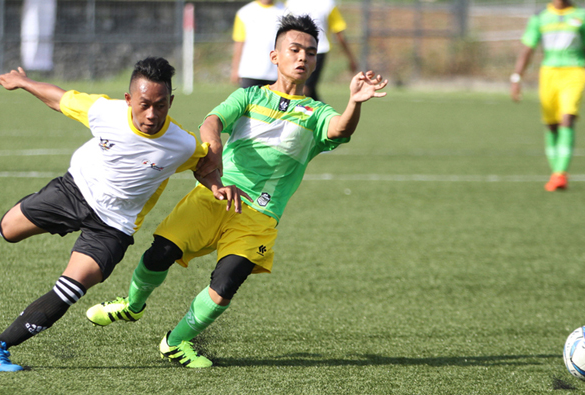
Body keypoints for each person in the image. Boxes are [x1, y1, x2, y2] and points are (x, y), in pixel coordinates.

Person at [85, 14, 388, 368]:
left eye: (310, 51)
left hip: (259, 217)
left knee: (225, 284)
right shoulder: (249, 96)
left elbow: (338, 130)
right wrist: (213, 151)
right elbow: (211, 121)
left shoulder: (316, 114)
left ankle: (176, 341)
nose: (303, 57)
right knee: (160, 253)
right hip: (214, 196)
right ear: (275, 57)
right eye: (294, 49)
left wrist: (355, 102)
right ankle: (132, 306)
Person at [0, 57, 247, 372]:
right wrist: (23, 82)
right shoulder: (105, 111)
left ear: (170, 102)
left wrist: (217, 185)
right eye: (144, 104)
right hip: (73, 191)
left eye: (161, 106)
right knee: (7, 229)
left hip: (113, 226)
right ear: (129, 99)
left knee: (71, 288)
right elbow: (59, 98)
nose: (152, 114)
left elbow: (204, 167)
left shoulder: (182, 144)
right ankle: (41, 216)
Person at [511, 0, 585, 192]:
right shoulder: (540, 16)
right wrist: (516, 78)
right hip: (549, 73)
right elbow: (528, 48)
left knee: (567, 118)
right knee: (551, 125)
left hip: (575, 72)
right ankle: (556, 172)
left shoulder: (582, 16)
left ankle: (560, 174)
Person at [285, 0, 358, 101]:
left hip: (317, 51)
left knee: (304, 88)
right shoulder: (290, 3)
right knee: (307, 89)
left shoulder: (327, 4)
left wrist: (350, 58)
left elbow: (339, 32)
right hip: (295, 51)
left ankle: (292, 115)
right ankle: (325, 115)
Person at [230, 0, 285, 88]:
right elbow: (239, 42)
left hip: (276, 72)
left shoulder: (285, 11)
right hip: (250, 72)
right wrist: (235, 69)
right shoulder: (244, 13)